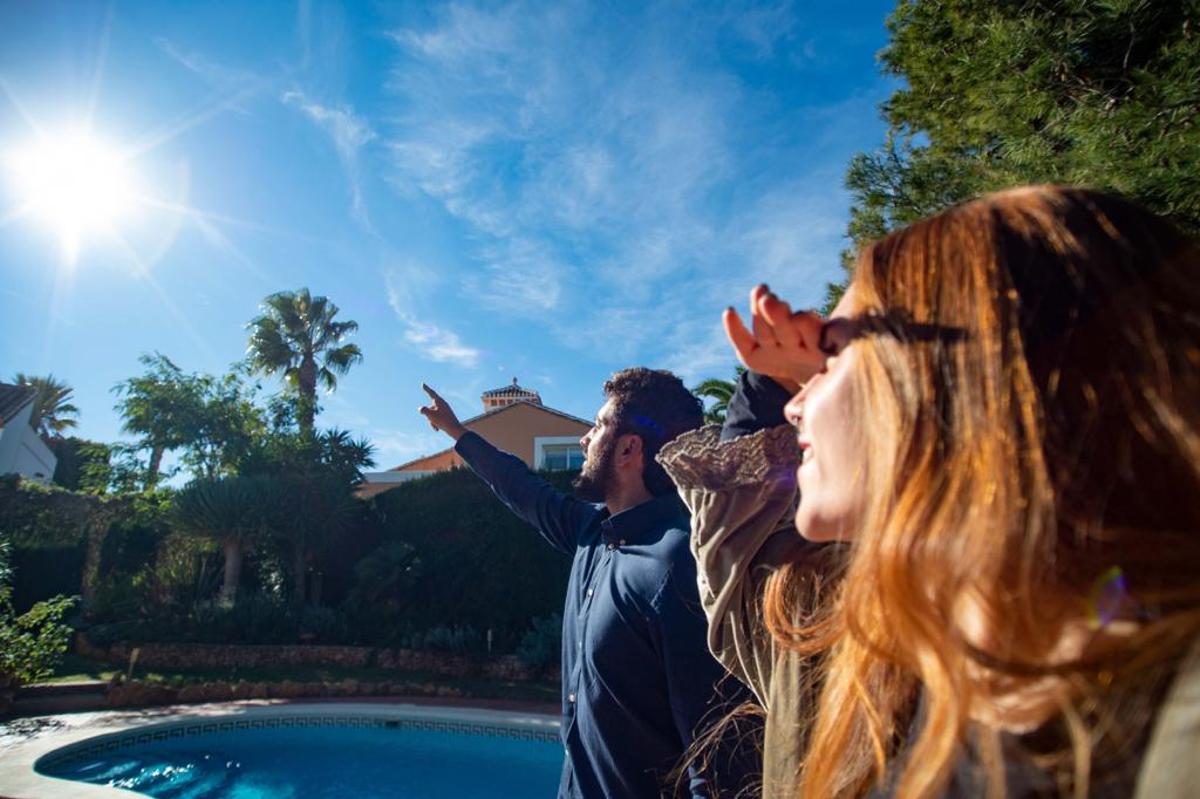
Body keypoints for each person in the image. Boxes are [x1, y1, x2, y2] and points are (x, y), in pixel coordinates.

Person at [658, 186, 1200, 798]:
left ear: (958, 382)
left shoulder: (1178, 735)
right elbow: (737, 565)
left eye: (827, 360)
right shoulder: (880, 661)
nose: (796, 403)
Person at [419, 368, 754, 798]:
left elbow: (719, 759)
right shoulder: (592, 532)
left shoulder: (678, 566)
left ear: (629, 449)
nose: (584, 439)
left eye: (597, 427)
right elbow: (522, 488)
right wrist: (457, 432)